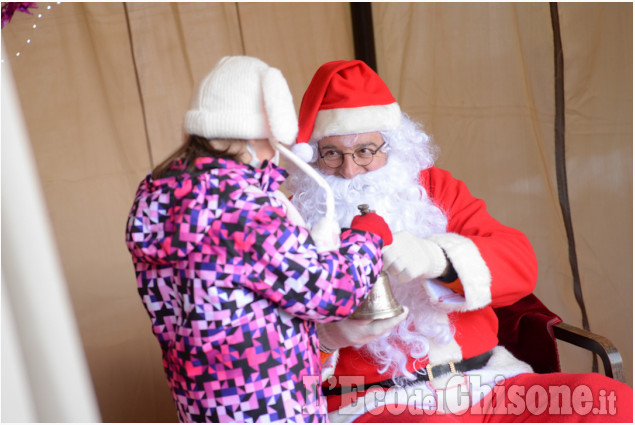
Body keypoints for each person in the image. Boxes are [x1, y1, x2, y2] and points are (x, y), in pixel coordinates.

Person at [285, 59, 633, 422]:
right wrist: (328, 338)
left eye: (364, 151)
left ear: (393, 144)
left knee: (607, 400)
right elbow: (261, 349)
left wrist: (437, 258)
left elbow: (520, 263)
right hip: (373, 402)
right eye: (331, 154)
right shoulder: (292, 218)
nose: (350, 169)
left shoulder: (432, 190)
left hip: (490, 384)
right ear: (312, 156)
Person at [124, 56, 403, 423]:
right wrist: (364, 240)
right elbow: (327, 292)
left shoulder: (157, 191)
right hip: (267, 403)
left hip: (202, 402)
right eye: (273, 141)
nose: (275, 154)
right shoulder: (238, 203)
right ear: (254, 134)